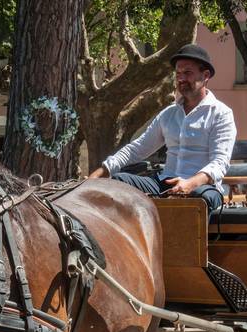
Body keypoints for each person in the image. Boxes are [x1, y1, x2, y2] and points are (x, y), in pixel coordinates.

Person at [88, 44, 237, 215]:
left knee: (196, 199)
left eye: (187, 73)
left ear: (206, 75)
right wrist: (99, 174)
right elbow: (137, 149)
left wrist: (190, 184)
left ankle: (183, 242)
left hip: (203, 187)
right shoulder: (168, 114)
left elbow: (219, 163)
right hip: (165, 182)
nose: (181, 79)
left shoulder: (221, 114)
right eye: (178, 74)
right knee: (117, 182)